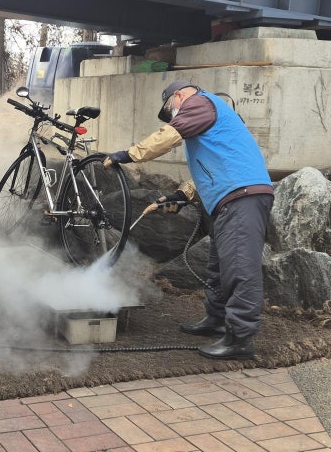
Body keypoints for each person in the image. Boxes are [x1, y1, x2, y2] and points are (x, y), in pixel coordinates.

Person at [104, 80, 273, 360]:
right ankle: (216, 320)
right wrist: (180, 195)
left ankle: (240, 339)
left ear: (178, 95)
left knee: (240, 268)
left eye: (171, 108)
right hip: (230, 199)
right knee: (220, 267)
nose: (174, 115)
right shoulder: (210, 119)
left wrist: (129, 154)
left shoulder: (200, 102)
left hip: (242, 197)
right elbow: (213, 166)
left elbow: (167, 136)